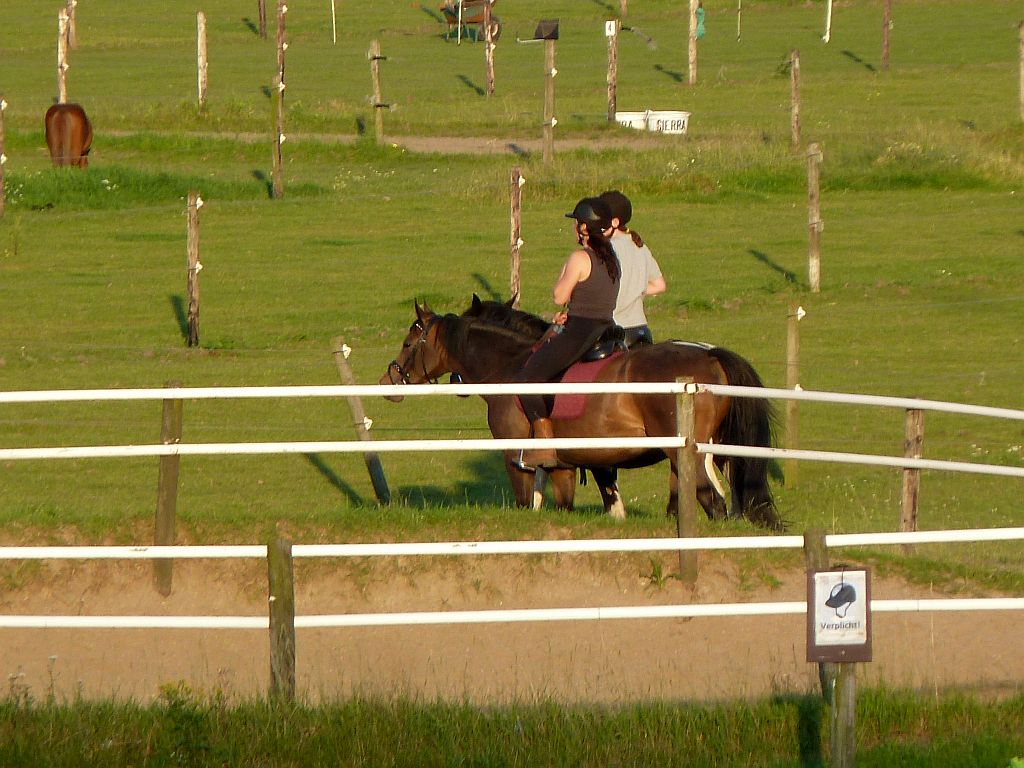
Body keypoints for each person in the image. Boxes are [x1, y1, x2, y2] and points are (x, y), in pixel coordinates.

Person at [512, 197, 621, 471]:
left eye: (576, 223)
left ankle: (545, 442)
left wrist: (564, 278)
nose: (574, 228)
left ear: (584, 228)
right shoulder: (612, 260)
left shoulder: (580, 257)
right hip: (606, 326)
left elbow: (559, 295)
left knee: (527, 378)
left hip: (580, 331)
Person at [599, 190, 666, 347]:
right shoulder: (640, 246)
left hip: (615, 331)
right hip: (640, 329)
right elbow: (659, 285)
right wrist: (635, 288)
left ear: (615, 222)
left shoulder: (606, 249)